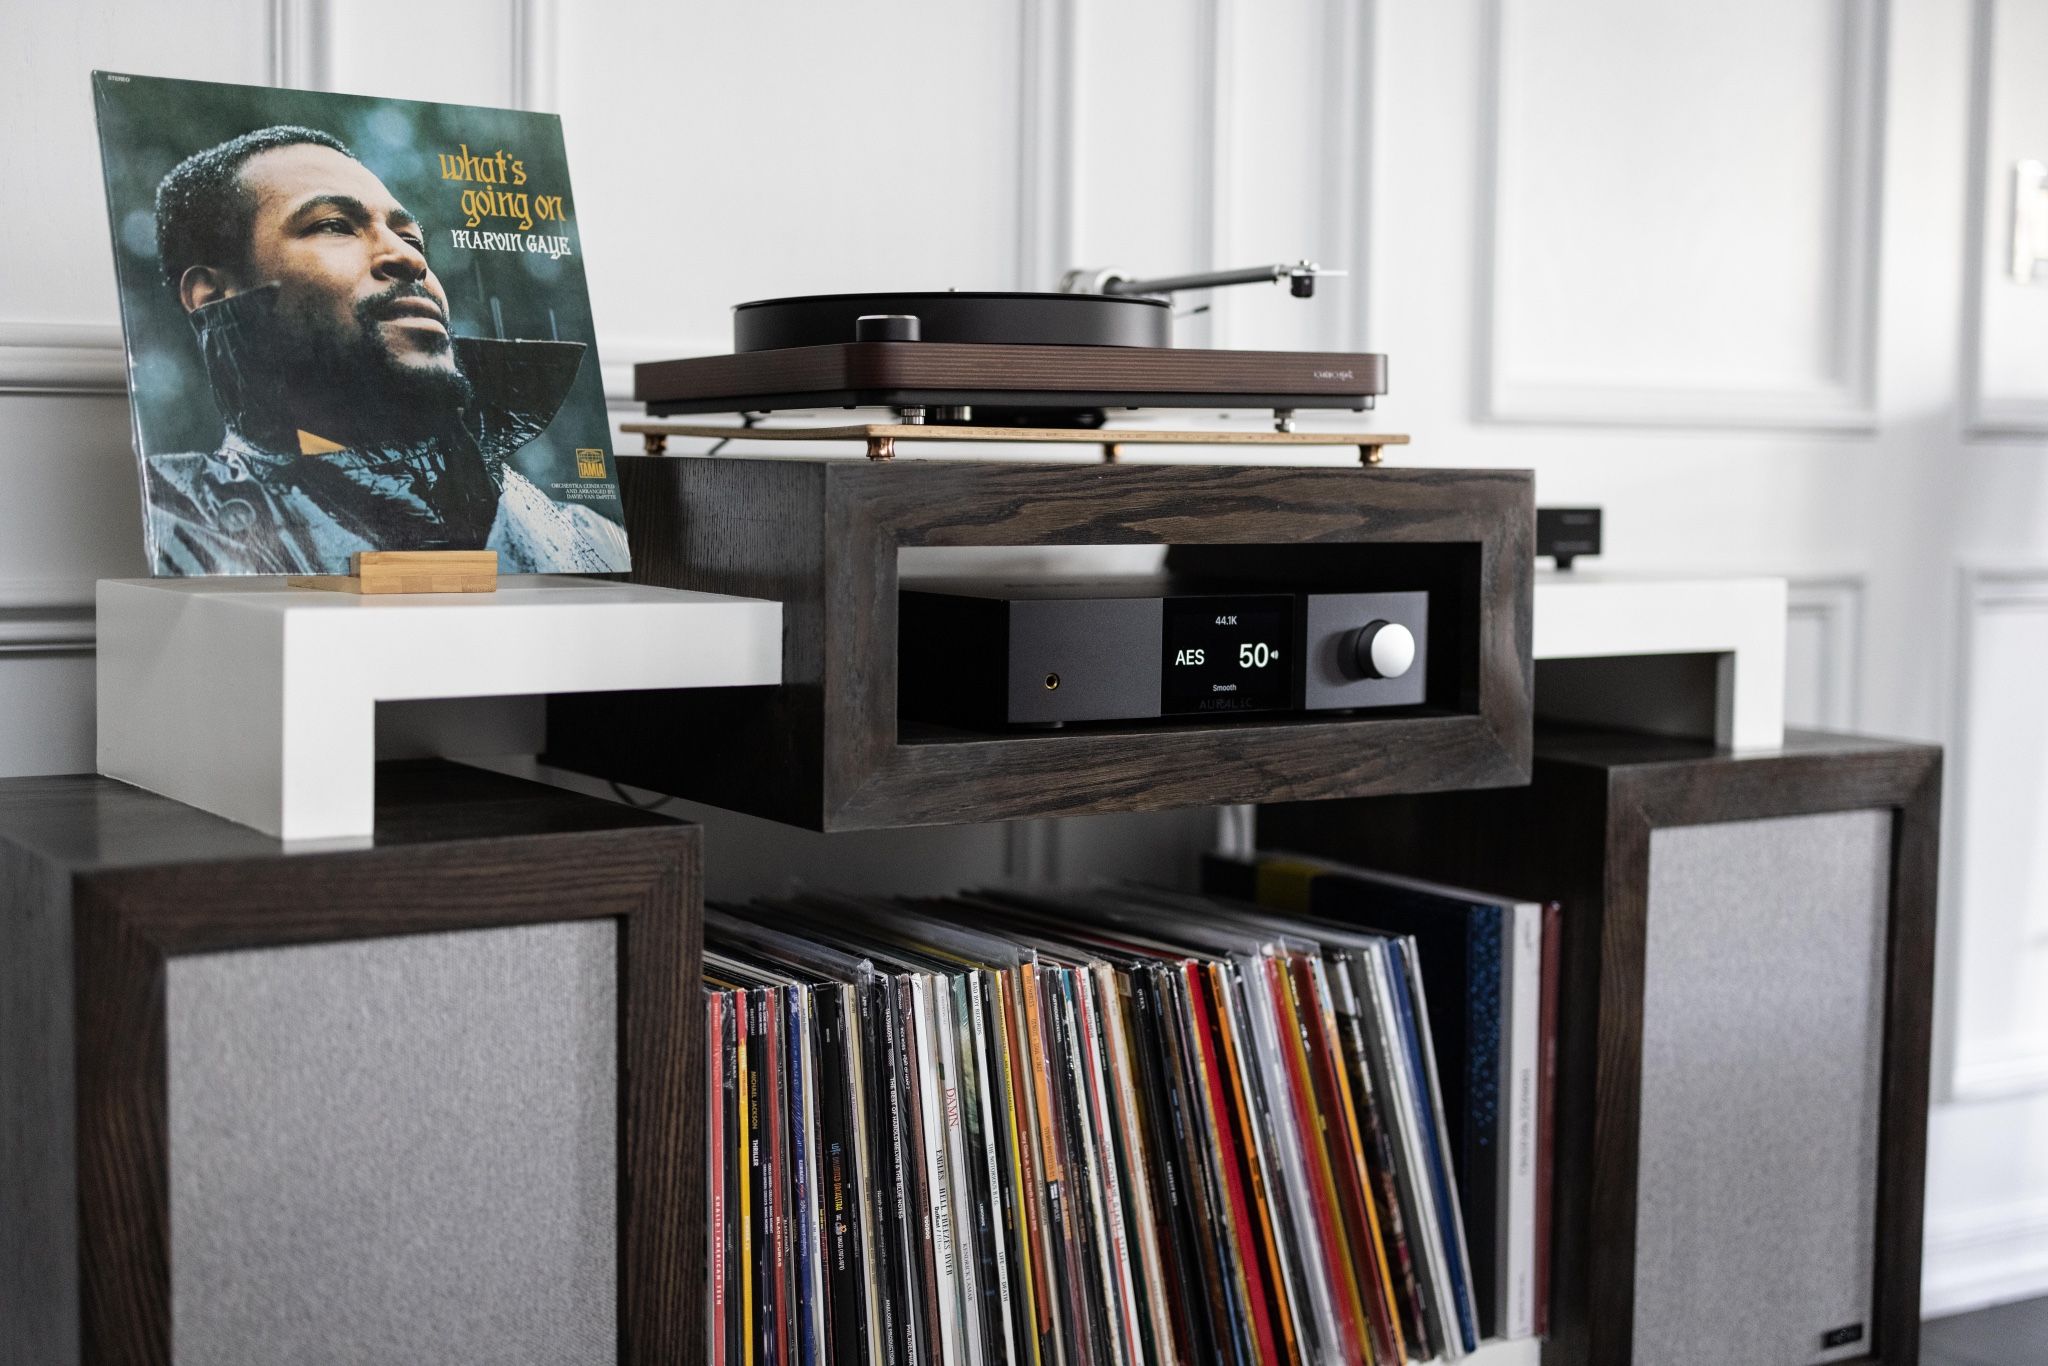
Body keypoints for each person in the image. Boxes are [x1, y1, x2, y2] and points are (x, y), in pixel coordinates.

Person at [146, 125, 626, 574]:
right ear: (213, 295)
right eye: (335, 225)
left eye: (411, 237)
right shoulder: (174, 523)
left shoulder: (594, 542)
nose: (410, 257)